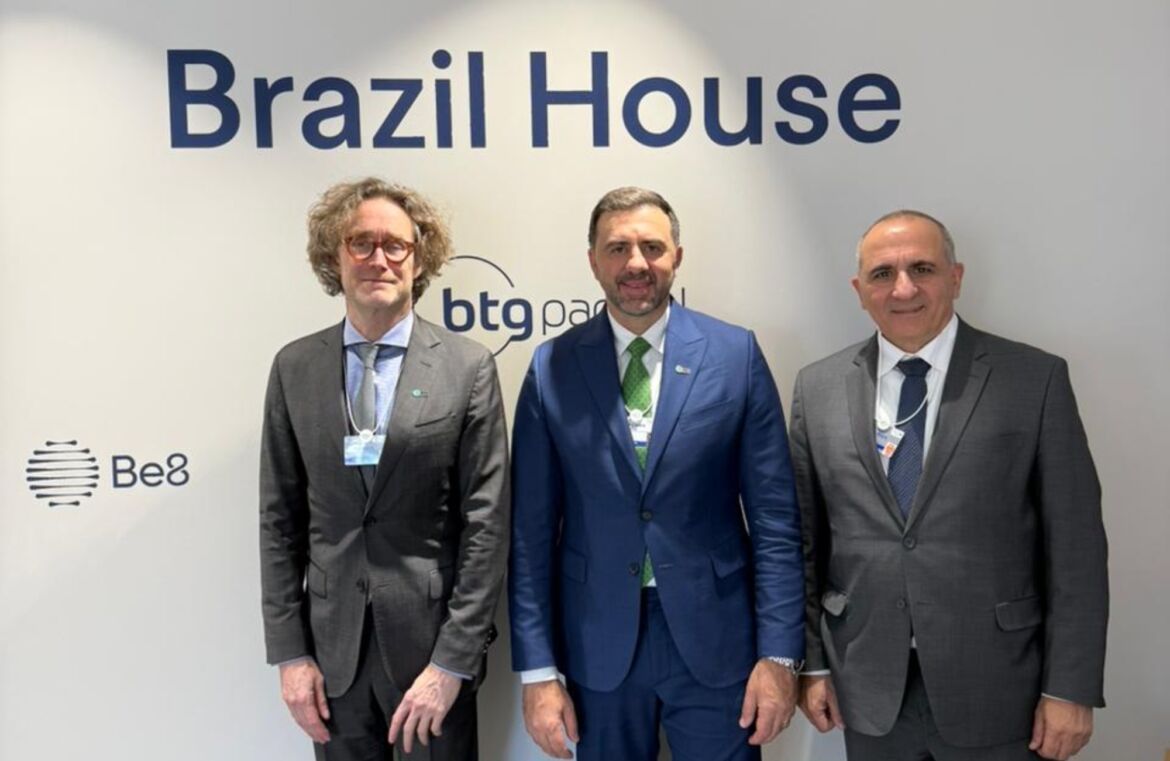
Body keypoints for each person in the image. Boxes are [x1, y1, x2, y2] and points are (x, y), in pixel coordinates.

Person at [791, 210, 1108, 761]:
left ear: (955, 277)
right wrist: (812, 664)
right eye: (883, 274)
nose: (903, 289)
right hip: (866, 688)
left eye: (922, 268)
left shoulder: (1034, 379)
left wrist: (1069, 688)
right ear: (859, 290)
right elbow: (805, 542)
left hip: (999, 686)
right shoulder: (817, 387)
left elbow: (1076, 547)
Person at [508, 186, 805, 761]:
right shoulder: (551, 367)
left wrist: (779, 655)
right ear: (593, 261)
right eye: (617, 248)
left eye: (652, 247)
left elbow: (775, 521)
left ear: (677, 257)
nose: (636, 263)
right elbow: (530, 535)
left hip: (718, 640)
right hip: (597, 642)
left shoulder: (735, 354)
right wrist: (538, 671)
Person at [259, 177, 509, 760]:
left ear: (419, 260)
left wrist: (452, 662)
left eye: (396, 245)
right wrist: (290, 655)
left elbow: (488, 527)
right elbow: (279, 522)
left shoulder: (467, 367)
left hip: (432, 660)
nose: (379, 259)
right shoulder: (294, 367)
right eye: (361, 242)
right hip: (332, 661)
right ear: (334, 255)